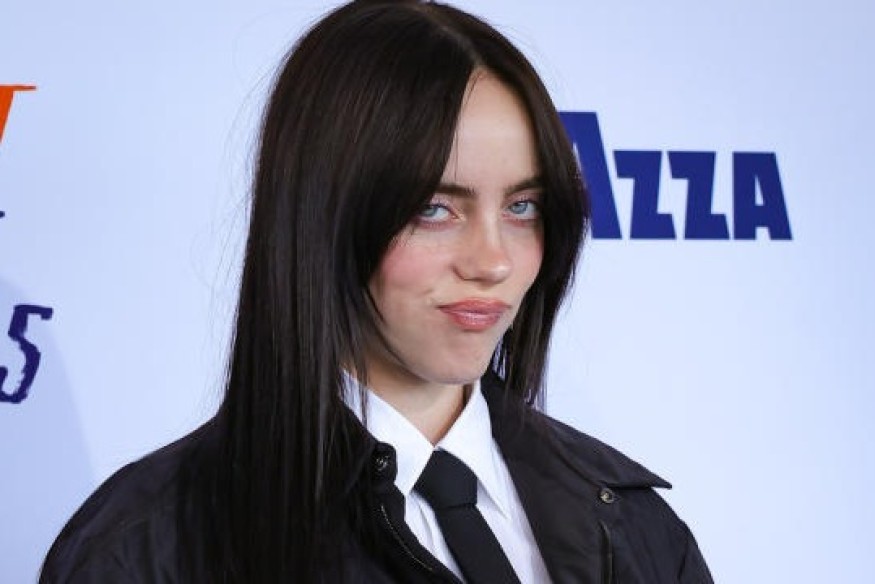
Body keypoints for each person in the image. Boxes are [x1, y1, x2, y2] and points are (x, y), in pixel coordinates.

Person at [40, 1, 713, 582]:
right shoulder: (148, 549)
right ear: (326, 218)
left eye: (522, 207)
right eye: (433, 209)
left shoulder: (632, 523)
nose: (492, 262)